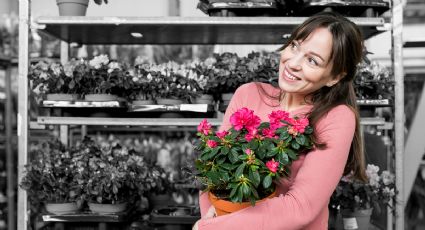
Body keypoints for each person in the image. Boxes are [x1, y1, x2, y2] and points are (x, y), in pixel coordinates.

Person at [192, 11, 368, 230]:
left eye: (312, 60)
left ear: (335, 77)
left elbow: (301, 206)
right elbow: (213, 169)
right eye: (295, 46)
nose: (293, 63)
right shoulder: (248, 94)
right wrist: (211, 219)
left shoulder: (335, 117)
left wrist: (211, 228)